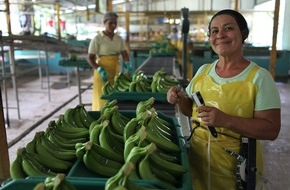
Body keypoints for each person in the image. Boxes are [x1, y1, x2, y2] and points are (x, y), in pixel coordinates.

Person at [167, 9, 281, 190]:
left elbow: (271, 129)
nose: (220, 35)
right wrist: (179, 99)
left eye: (228, 28)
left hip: (235, 171)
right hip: (197, 163)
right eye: (214, 31)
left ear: (243, 34)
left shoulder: (259, 78)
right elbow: (191, 110)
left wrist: (225, 120)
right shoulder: (203, 71)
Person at [87, 12, 129, 111]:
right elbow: (90, 58)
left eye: (115, 23)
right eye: (110, 23)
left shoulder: (119, 39)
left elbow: (124, 54)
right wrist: (99, 69)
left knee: (114, 95)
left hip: (115, 70)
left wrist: (128, 65)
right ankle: (100, 117)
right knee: (102, 95)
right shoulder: (97, 39)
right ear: (104, 23)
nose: (113, 25)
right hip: (102, 71)